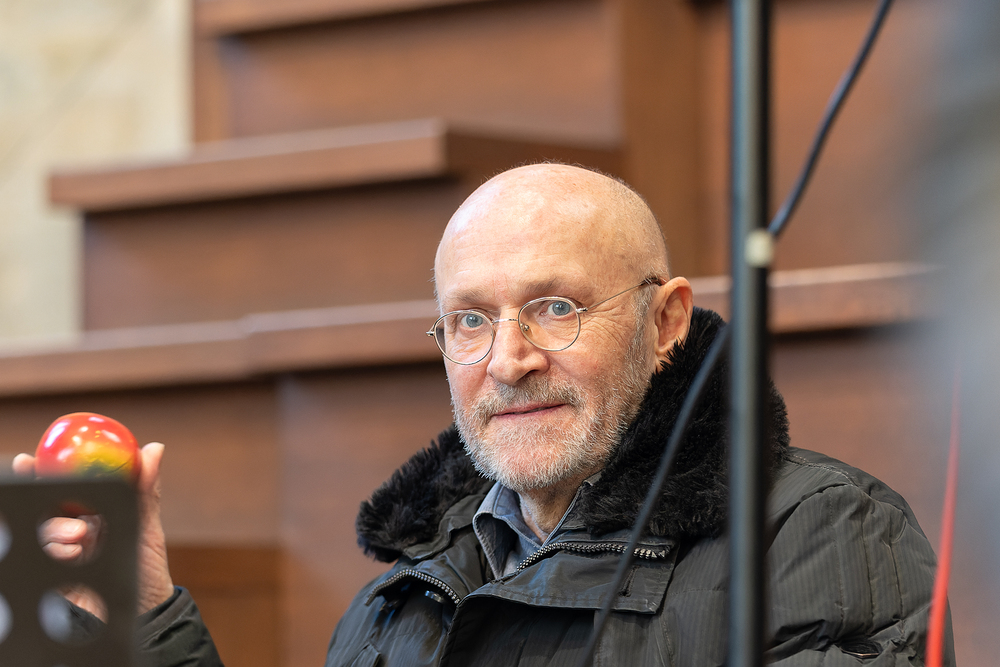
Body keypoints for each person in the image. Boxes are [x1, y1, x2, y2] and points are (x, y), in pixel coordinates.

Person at [17, 164, 953, 665]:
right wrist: (136, 624)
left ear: (665, 321)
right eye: (471, 320)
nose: (509, 359)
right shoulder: (401, 594)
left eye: (556, 306)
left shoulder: (823, 534)